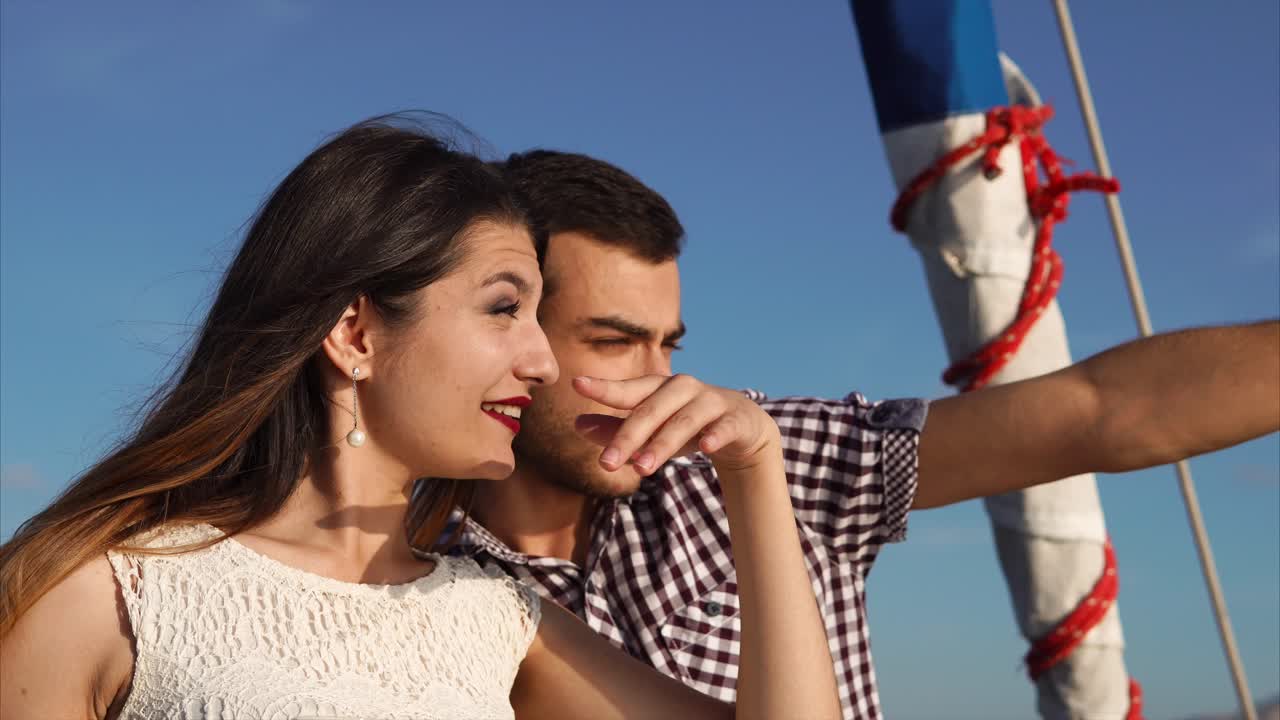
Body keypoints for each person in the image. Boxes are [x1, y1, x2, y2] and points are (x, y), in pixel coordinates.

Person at [0, 117, 843, 720]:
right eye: (504, 309)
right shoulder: (106, 596)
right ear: (356, 332)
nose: (543, 361)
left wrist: (754, 468)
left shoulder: (499, 620)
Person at [448, 149, 1280, 720]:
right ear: (510, 328)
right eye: (613, 340)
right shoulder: (417, 576)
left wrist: (756, 466)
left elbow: (1096, 413)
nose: (657, 381)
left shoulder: (751, 451)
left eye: (669, 344)